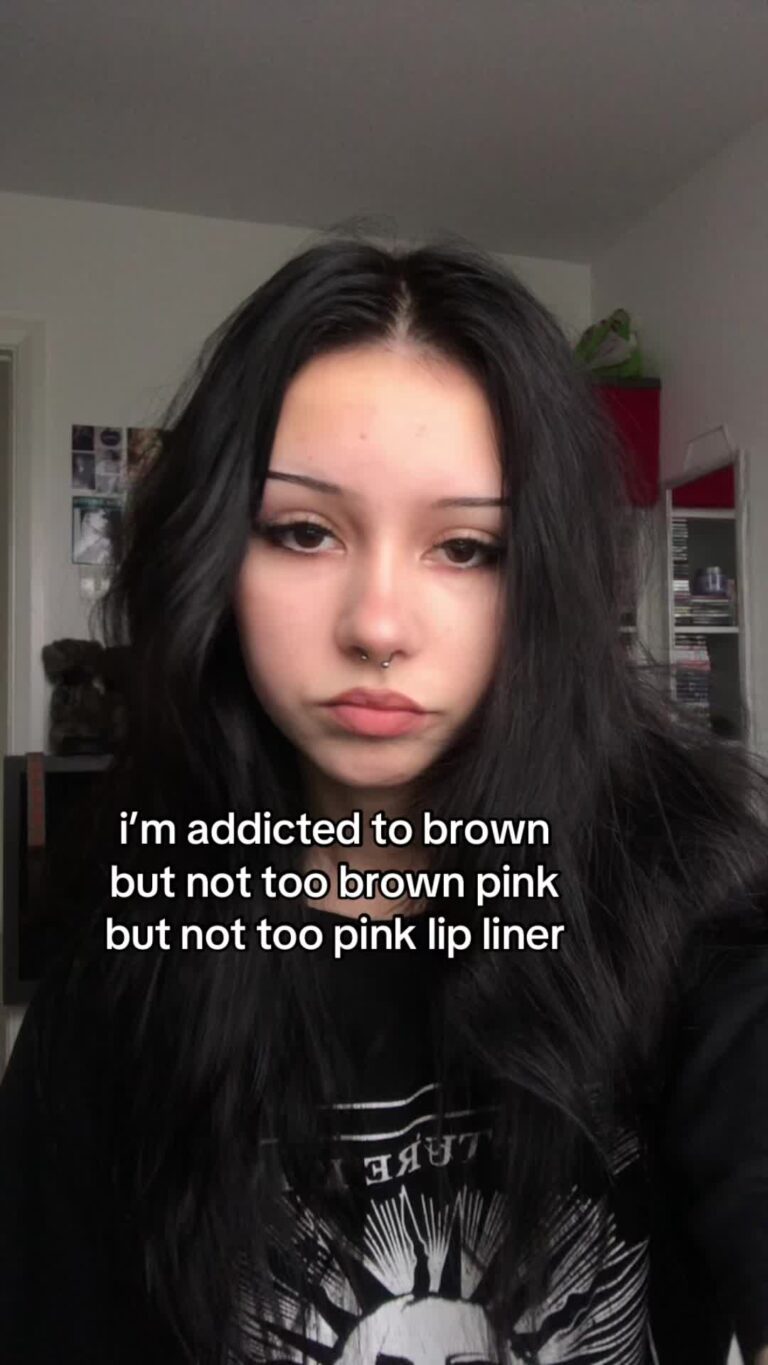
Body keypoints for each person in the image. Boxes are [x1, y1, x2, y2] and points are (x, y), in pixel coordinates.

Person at [1, 232, 767, 1365]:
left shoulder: (692, 907)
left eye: (466, 547)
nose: (377, 625)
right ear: (215, 558)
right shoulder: (125, 970)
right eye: (304, 532)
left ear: (546, 582)